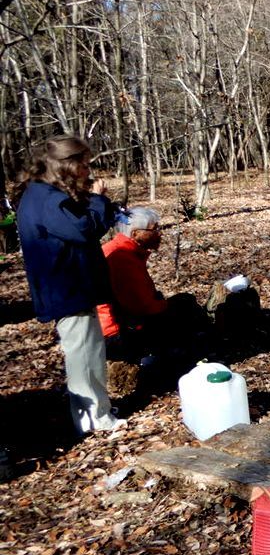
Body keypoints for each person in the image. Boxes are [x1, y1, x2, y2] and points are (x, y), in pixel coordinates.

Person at [15, 135, 125, 433]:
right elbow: (84, 229)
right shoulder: (46, 199)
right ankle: (94, 419)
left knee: (89, 350)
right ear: (68, 165)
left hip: (70, 286)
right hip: (66, 288)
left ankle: (97, 411)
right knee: (83, 356)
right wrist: (100, 199)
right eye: (85, 165)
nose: (88, 171)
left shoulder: (44, 195)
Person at [96, 207, 206, 363]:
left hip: (115, 325)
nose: (159, 233)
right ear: (135, 234)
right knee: (184, 307)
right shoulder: (121, 257)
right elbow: (142, 306)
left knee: (182, 303)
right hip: (115, 335)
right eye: (154, 229)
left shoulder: (121, 249)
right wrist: (165, 306)